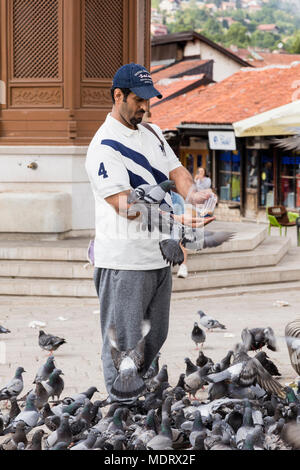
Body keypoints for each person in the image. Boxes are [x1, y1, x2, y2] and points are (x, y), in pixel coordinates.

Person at [85, 63, 213, 404]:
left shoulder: (152, 133)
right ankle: (120, 409)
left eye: (148, 100)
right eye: (138, 100)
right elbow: (124, 205)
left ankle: (140, 401)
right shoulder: (104, 146)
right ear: (118, 95)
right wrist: (176, 223)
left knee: (155, 336)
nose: (145, 106)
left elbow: (177, 170)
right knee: (124, 343)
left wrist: (193, 196)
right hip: (124, 260)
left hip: (158, 255)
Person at [170, 191, 188, 279]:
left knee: (179, 237)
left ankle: (183, 266)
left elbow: (182, 218)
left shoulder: (177, 198)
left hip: (175, 224)